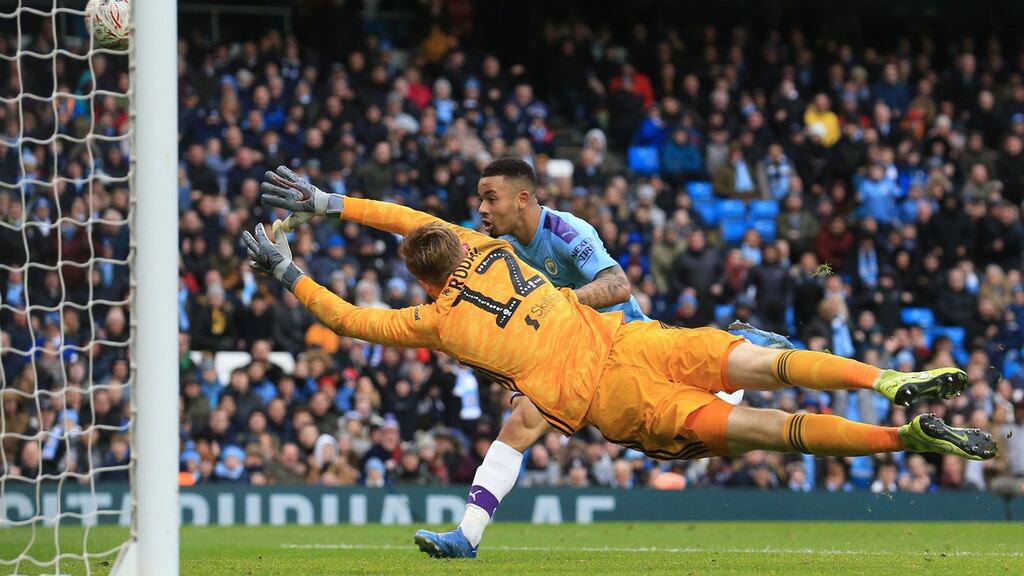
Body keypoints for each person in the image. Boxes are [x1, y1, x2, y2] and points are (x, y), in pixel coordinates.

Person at [249, 165, 994, 560]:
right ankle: (886, 381)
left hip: (608, 397)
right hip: (639, 338)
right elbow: (412, 221)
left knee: (773, 429)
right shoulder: (495, 250)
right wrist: (332, 201)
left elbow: (347, 319)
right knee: (775, 365)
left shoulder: (433, 322)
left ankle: (903, 440)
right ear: (460, 240)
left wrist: (289, 272)